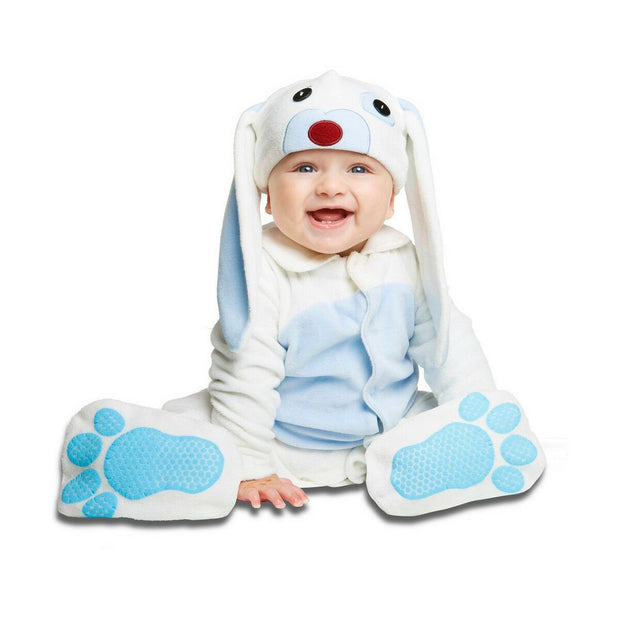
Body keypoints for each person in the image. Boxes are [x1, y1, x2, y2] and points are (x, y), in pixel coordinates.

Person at [58, 71, 545, 521]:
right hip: (282, 438)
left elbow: (447, 342)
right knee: (205, 419)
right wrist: (250, 463)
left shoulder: (402, 259)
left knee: (444, 408)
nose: (330, 186)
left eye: (359, 169)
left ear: (392, 198)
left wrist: (473, 413)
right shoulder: (262, 269)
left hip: (389, 427)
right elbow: (247, 371)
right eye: (305, 167)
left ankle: (465, 450)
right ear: (267, 194)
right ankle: (164, 463)